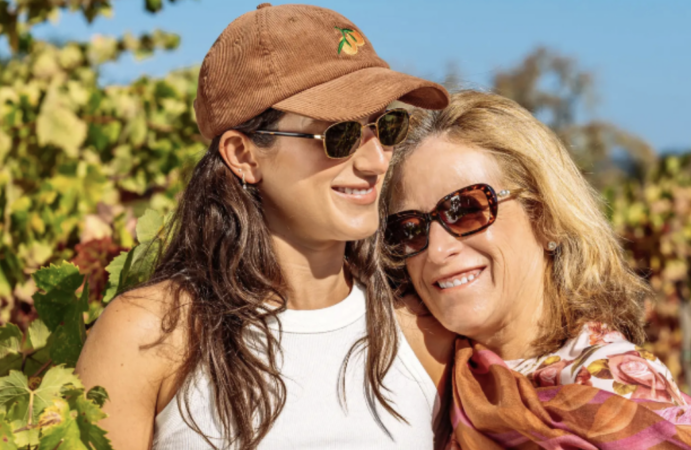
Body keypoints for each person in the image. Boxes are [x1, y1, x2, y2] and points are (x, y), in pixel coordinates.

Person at [75, 4, 450, 449]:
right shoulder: (150, 334)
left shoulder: (420, 334)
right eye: (340, 134)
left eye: (386, 126)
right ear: (244, 155)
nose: (376, 160)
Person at [379, 90, 691, 449]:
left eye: (465, 210)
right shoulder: (431, 376)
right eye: (410, 229)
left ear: (545, 216)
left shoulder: (613, 386)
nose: (437, 249)